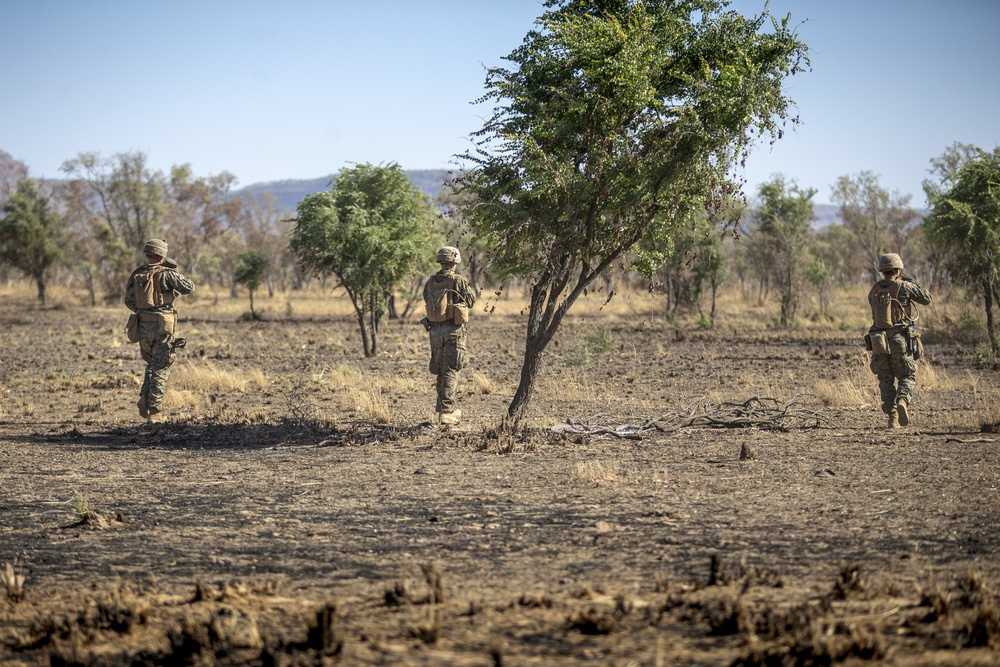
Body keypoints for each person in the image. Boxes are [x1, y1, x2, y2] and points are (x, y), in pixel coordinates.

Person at [124, 239, 195, 422]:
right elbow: (189, 287)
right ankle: (155, 412)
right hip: (162, 327)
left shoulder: (137, 274)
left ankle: (144, 398)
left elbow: (128, 301)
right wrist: (172, 269)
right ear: (162, 255)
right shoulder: (167, 274)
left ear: (148, 254)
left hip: (142, 326)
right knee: (161, 367)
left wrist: (145, 311)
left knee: (151, 364)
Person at [866, 253, 931, 429]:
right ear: (898, 269)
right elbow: (927, 298)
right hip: (899, 339)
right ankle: (903, 400)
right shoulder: (905, 287)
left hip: (878, 340)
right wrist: (910, 282)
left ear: (882, 271)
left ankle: (892, 418)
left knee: (885, 379)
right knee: (906, 375)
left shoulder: (874, 289)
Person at [421, 246, 476, 425]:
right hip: (453, 331)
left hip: (435, 331)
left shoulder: (430, 282)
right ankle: (446, 412)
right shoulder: (458, 280)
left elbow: (426, 299)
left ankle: (445, 410)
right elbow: (471, 301)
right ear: (455, 262)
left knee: (441, 371)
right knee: (451, 370)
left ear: (440, 261)